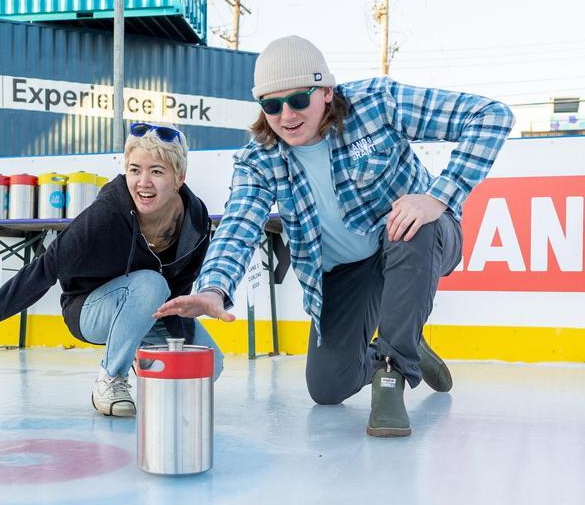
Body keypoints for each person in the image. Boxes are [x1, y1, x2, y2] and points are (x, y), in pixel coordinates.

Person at [155, 35, 514, 437]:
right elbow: (239, 226)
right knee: (327, 388)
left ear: (326, 91)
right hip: (349, 269)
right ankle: (407, 341)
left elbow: (491, 116)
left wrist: (438, 197)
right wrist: (214, 290)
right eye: (271, 105)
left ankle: (393, 371)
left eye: (298, 100)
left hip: (419, 239)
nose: (286, 115)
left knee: (412, 223)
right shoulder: (259, 160)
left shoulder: (377, 104)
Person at [0, 122, 223, 417]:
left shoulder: (195, 219)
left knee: (209, 364)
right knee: (151, 284)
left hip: (151, 308)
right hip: (89, 309)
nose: (143, 182)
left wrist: (174, 344)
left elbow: (180, 286)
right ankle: (111, 379)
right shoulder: (107, 212)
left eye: (156, 171)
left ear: (179, 177)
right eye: (134, 170)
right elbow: (48, 265)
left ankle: (136, 352)